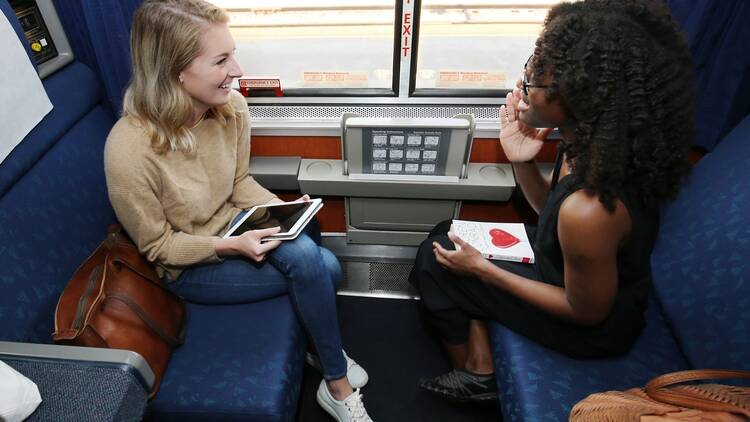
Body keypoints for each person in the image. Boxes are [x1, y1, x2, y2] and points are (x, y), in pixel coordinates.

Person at [409, 0, 694, 404]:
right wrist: (522, 163)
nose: (522, 90)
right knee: (444, 234)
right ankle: (480, 349)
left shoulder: (591, 209)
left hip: (591, 327)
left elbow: (585, 311)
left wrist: (482, 271)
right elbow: (550, 218)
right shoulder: (590, 145)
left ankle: (477, 374)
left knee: (432, 261)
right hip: (563, 271)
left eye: (532, 84)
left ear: (578, 96)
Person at [103, 1, 373, 421]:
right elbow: (159, 246)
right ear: (176, 71)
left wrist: (281, 209)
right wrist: (229, 246)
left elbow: (237, 183)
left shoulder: (231, 109)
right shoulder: (129, 147)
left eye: (234, 53)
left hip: (232, 223)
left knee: (312, 239)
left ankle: (321, 350)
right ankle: (336, 384)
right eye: (221, 60)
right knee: (316, 265)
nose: (239, 69)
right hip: (188, 264)